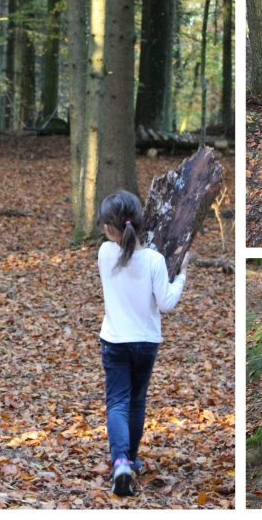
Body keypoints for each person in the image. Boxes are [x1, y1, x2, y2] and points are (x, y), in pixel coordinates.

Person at [96, 190, 188, 496]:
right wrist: (182, 275)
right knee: (136, 401)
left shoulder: (105, 254)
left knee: (118, 401)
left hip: (115, 341)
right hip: (146, 343)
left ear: (110, 228)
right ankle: (131, 459)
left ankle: (121, 460)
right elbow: (166, 303)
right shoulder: (154, 260)